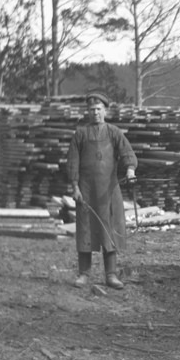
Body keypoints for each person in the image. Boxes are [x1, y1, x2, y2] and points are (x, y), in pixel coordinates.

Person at [66, 91, 138, 289]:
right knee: (85, 230)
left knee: (110, 230)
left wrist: (130, 170)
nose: (95, 112)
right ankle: (84, 274)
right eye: (91, 109)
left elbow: (127, 153)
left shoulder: (114, 132)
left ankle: (111, 275)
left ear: (105, 110)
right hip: (86, 191)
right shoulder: (80, 134)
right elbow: (72, 163)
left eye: (98, 109)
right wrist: (75, 187)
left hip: (109, 191)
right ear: (87, 112)